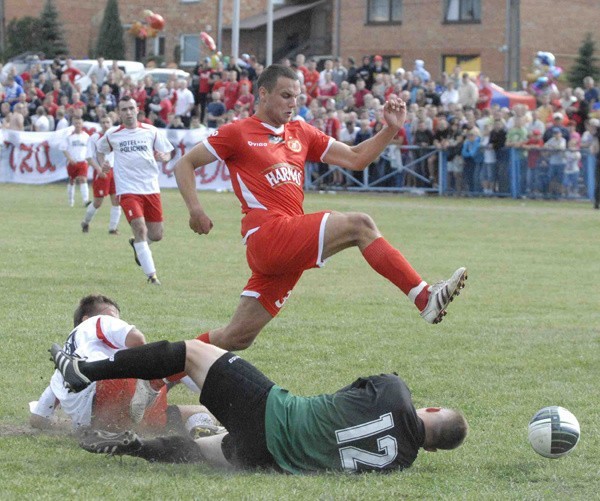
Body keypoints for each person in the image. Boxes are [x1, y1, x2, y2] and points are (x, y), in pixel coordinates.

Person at [173, 65, 467, 352]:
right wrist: (195, 209)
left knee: (236, 337)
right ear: (263, 93)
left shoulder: (300, 131)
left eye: (297, 97)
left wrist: (390, 129)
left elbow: (355, 158)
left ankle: (160, 375)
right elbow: (185, 163)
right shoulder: (238, 132)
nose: (294, 104)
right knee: (360, 225)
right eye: (286, 96)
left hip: (287, 244)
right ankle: (424, 297)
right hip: (268, 236)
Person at [50, 333, 468, 474]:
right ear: (429, 447)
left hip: (273, 415)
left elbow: (346, 397)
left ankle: (86, 371)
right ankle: (138, 447)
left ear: (431, 411)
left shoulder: (396, 391)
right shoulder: (403, 461)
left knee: (191, 352)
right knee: (201, 451)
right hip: (270, 460)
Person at [36, 295, 220, 436]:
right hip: (116, 392)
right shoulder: (97, 322)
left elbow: (38, 419)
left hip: (101, 423)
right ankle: (223, 401)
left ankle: (199, 427)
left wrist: (67, 426)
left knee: (185, 409)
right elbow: (138, 340)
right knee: (182, 358)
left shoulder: (62, 371)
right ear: (86, 319)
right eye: (115, 317)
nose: (118, 321)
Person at [96, 96, 174, 285]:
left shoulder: (151, 131)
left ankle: (139, 245)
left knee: (156, 235)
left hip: (151, 188)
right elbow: (99, 150)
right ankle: (152, 276)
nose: (128, 112)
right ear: (119, 113)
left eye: (131, 108)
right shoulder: (113, 134)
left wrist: (164, 157)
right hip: (128, 190)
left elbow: (167, 152)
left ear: (137, 109)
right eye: (124, 109)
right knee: (140, 228)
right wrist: (102, 164)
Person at [81, 115, 121, 234]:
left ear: (111, 123)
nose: (105, 124)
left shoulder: (116, 136)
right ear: (100, 124)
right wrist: (99, 170)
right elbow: (88, 157)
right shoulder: (94, 137)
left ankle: (112, 228)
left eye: (107, 122)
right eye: (103, 122)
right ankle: (85, 222)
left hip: (115, 171)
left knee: (116, 200)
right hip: (101, 172)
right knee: (98, 202)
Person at [59, 116, 90, 207]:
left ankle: (86, 201)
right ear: (73, 125)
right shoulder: (69, 137)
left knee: (83, 179)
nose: (78, 125)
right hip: (72, 162)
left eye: (79, 123)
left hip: (82, 161)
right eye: (76, 123)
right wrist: (69, 158)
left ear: (82, 124)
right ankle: (71, 201)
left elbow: (90, 149)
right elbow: (63, 149)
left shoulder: (86, 136)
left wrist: (88, 159)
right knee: (72, 181)